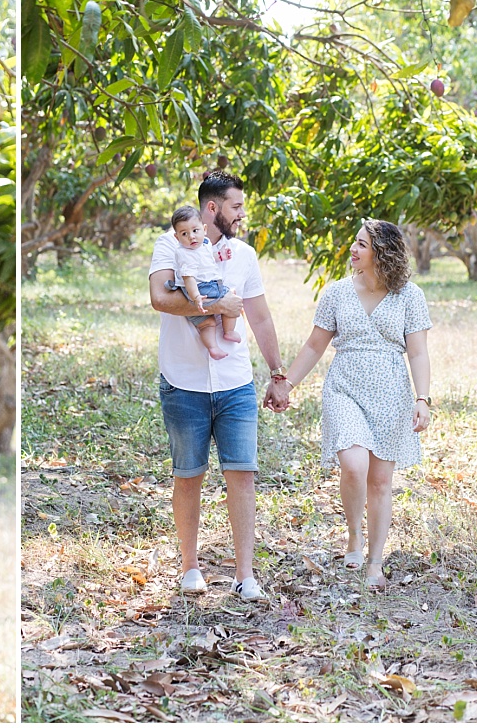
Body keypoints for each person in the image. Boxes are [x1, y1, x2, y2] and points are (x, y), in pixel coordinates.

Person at [148, 171, 291, 602]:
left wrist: (278, 374)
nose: (242, 215)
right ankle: (190, 567)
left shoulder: (244, 255)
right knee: (188, 476)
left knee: (242, 474)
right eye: (236, 207)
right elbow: (160, 298)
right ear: (213, 208)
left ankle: (245, 575)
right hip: (183, 381)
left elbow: (260, 317)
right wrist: (214, 304)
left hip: (236, 383)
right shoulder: (170, 245)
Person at [279, 219, 432, 589]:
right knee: (353, 463)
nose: (353, 249)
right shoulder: (337, 293)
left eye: (362, 244)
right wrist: (287, 385)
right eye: (355, 242)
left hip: (390, 394)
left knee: (380, 481)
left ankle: (375, 563)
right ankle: (354, 535)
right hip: (344, 388)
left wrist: (422, 398)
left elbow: (419, 353)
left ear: (382, 253)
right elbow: (315, 345)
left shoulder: (409, 296)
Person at [165, 205, 241, 360]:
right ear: (177, 237)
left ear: (204, 229)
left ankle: (213, 348)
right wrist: (196, 297)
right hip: (201, 289)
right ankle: (229, 331)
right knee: (231, 297)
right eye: (184, 233)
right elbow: (189, 278)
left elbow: (206, 259)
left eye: (195, 231)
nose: (191, 237)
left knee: (206, 323)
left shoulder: (204, 245)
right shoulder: (184, 253)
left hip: (203, 289)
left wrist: (219, 256)